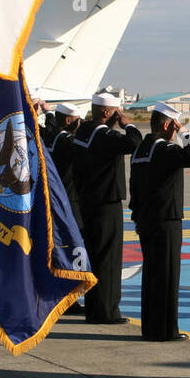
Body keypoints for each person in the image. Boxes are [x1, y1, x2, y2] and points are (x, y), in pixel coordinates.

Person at [129, 102, 190, 341]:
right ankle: (165, 330)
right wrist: (186, 132)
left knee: (151, 275)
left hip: (145, 219)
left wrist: (137, 216)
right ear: (168, 125)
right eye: (175, 125)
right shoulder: (163, 150)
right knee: (167, 276)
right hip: (166, 219)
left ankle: (150, 327)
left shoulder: (141, 150)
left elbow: (135, 188)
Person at [73, 92, 142, 324]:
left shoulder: (83, 132)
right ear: (106, 112)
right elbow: (134, 143)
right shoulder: (103, 135)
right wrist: (128, 124)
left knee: (94, 256)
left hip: (87, 200)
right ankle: (106, 311)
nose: (119, 116)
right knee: (108, 259)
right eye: (117, 112)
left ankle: (94, 307)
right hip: (106, 203)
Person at [48, 103, 86, 314]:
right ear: (69, 121)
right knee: (71, 249)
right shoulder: (67, 140)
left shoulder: (51, 137)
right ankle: (69, 298)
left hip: (55, 200)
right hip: (69, 201)